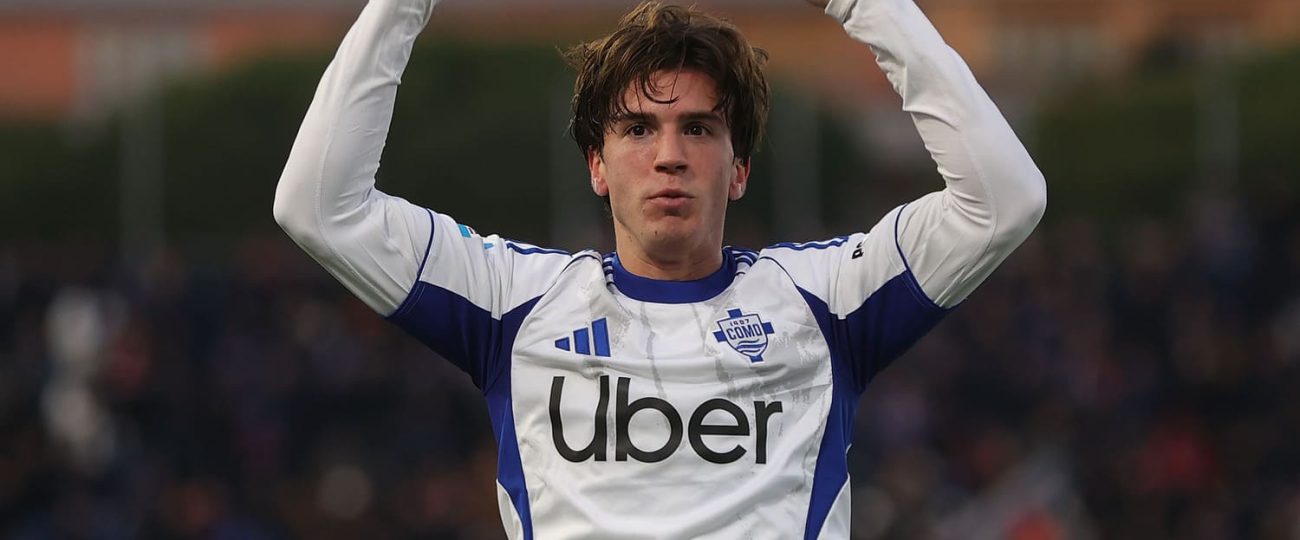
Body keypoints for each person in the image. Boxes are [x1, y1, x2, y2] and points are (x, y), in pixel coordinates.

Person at [273, 0, 1046, 536]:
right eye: (638, 128)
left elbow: (1003, 201)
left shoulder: (827, 302)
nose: (670, 155)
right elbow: (319, 207)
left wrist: (865, 7)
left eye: (699, 129)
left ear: (739, 169)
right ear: (597, 165)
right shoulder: (512, 303)